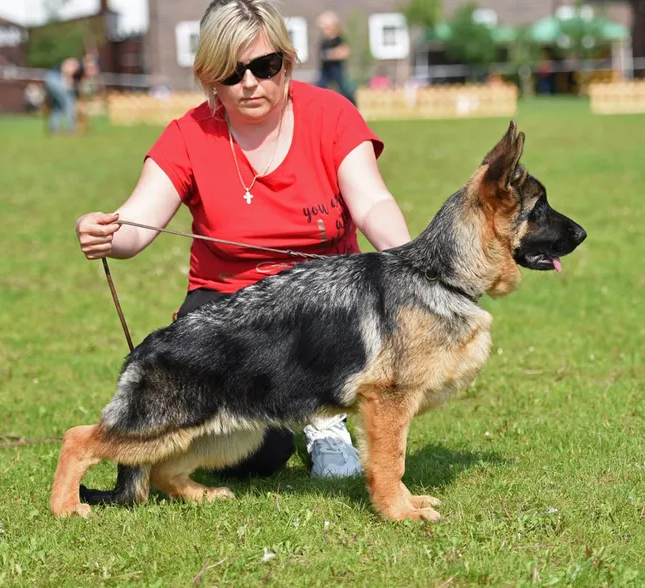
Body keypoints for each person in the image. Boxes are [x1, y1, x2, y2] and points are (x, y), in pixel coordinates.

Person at [74, 0, 412, 481]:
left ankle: (326, 419)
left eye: (264, 66)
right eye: (232, 74)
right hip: (228, 312)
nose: (250, 82)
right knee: (255, 457)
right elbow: (136, 223)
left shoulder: (333, 115)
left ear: (287, 63)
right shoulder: (188, 135)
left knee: (325, 331)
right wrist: (105, 233)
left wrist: (406, 262)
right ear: (211, 78)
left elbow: (373, 202)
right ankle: (283, 419)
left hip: (323, 309)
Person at [43, 54, 99, 134]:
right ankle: (72, 128)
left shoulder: (82, 73)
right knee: (70, 102)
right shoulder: (78, 65)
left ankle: (54, 129)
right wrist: (68, 82)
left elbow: (79, 85)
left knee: (58, 106)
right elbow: (66, 68)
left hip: (52, 79)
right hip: (55, 79)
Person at [315, 11, 357, 106]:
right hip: (325, 69)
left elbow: (345, 52)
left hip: (336, 68)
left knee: (343, 89)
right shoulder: (324, 41)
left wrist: (331, 54)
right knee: (320, 88)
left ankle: (353, 106)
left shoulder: (338, 39)